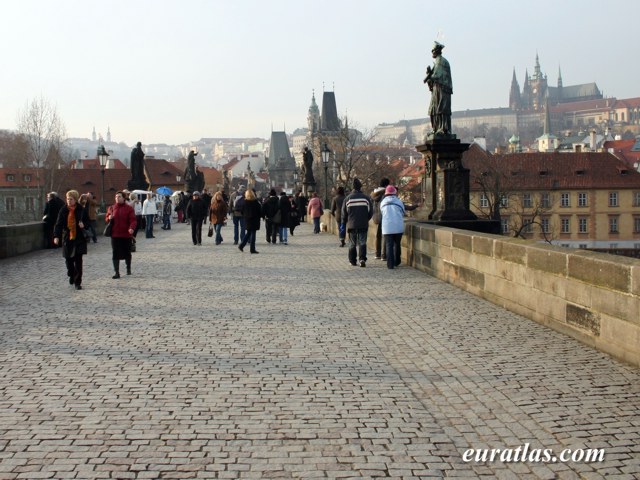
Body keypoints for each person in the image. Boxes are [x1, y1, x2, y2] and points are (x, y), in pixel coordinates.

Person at [53, 190, 89, 290]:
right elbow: (58, 224)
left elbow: (88, 222)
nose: (68, 201)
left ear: (75, 199)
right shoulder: (63, 210)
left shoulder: (81, 209)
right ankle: (71, 274)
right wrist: (56, 236)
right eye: (67, 199)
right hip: (67, 238)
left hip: (79, 238)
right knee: (68, 260)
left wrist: (84, 225)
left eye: (71, 199)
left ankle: (78, 282)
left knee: (78, 261)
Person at [341, 178, 373, 267]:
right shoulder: (366, 198)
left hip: (352, 224)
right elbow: (370, 212)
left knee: (352, 243)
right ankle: (362, 259)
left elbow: (344, 213)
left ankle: (352, 260)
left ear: (353, 187)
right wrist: (366, 219)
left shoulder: (348, 199)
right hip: (363, 224)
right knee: (362, 242)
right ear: (360, 187)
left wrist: (344, 223)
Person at [424, 41, 453, 136]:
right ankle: (436, 128)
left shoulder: (441, 61)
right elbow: (434, 78)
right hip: (437, 89)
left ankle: (443, 128)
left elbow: (439, 75)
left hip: (442, 89)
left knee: (441, 108)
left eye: (433, 50)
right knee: (433, 109)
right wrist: (430, 78)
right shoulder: (437, 62)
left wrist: (430, 76)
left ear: (437, 51)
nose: (432, 52)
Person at [105, 191, 136, 279]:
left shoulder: (129, 208)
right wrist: (108, 218)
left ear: (123, 198)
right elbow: (106, 218)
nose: (117, 198)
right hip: (115, 235)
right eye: (116, 197)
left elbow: (133, 220)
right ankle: (117, 272)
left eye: (119, 197)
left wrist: (131, 228)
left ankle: (128, 268)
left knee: (127, 252)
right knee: (115, 253)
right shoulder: (112, 208)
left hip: (126, 235)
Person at [380, 185, 406, 270]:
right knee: (397, 244)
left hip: (387, 227)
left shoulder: (383, 202)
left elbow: (382, 212)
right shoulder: (399, 202)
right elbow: (403, 212)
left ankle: (390, 264)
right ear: (395, 193)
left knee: (389, 245)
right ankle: (397, 261)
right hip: (398, 226)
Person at [371, 178, 391, 259]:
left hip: (375, 216)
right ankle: (384, 255)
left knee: (378, 236)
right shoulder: (385, 193)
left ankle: (377, 254)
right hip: (384, 216)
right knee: (385, 236)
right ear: (386, 185)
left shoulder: (374, 193)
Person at [238, 188, 261, 254]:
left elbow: (242, 211)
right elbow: (260, 211)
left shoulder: (245, 202)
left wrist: (245, 216)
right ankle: (252, 249)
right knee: (253, 234)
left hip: (247, 220)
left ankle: (241, 245)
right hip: (255, 219)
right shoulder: (256, 202)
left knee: (248, 233)